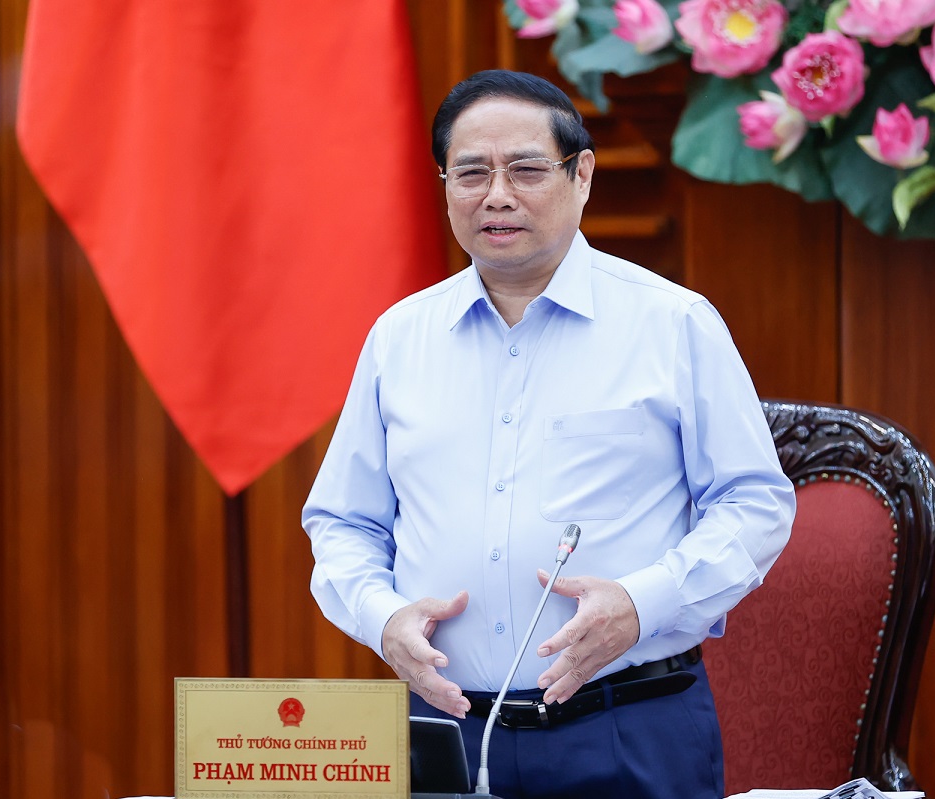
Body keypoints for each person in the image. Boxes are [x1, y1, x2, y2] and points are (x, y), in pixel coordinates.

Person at [302, 69, 795, 799]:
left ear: (582, 174)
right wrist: (383, 618)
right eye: (472, 172)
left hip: (627, 724)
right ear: (445, 185)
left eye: (526, 170)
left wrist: (642, 603)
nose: (497, 195)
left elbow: (755, 504)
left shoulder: (672, 323)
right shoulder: (399, 338)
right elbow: (343, 521)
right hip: (443, 729)